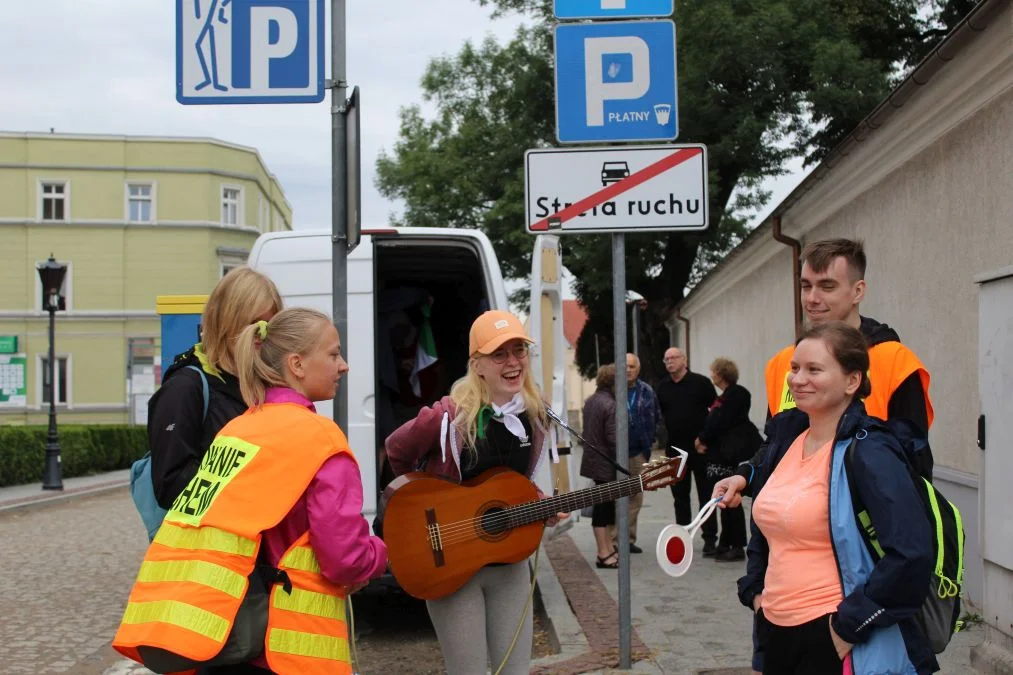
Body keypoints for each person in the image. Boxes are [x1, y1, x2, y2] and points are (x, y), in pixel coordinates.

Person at [114, 308, 388, 675]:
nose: (344, 366)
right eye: (334, 354)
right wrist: (379, 552)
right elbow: (343, 558)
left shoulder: (237, 431)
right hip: (290, 648)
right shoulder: (321, 439)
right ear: (297, 364)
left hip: (221, 635)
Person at [738, 321, 935, 675]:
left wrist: (848, 627)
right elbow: (766, 528)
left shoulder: (870, 450)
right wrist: (756, 593)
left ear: (852, 381)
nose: (797, 379)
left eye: (814, 369)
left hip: (833, 634)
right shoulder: (786, 442)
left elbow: (912, 551)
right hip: (776, 630)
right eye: (795, 368)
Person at [384, 310, 564, 675]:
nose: (513, 363)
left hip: (509, 563)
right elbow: (396, 449)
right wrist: (422, 503)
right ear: (477, 364)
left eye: (519, 351)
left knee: (513, 671)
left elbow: (512, 484)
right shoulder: (447, 416)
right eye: (499, 354)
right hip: (451, 563)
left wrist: (540, 504)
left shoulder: (534, 414)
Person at [713, 238, 934, 509]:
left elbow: (913, 463)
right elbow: (777, 445)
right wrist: (746, 475)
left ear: (858, 291)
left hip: (861, 532)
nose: (812, 298)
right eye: (806, 286)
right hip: (789, 527)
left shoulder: (895, 361)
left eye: (827, 286)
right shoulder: (783, 364)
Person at [149, 266, 283, 508]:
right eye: (254, 324)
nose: (261, 335)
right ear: (227, 323)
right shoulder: (185, 388)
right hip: (207, 542)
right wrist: (249, 483)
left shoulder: (264, 384)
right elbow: (170, 487)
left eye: (269, 327)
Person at [656, 347, 718, 555]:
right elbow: (660, 416)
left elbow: (716, 410)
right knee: (679, 497)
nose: (670, 362)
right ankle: (682, 537)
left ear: (684, 360)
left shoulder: (701, 383)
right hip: (675, 448)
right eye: (666, 359)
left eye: (674, 358)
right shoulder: (662, 387)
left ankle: (710, 539)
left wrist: (706, 437)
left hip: (700, 448)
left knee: (705, 494)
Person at [694, 358, 756, 563]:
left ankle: (736, 544)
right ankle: (725, 542)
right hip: (721, 453)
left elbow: (720, 422)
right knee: (723, 499)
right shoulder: (726, 396)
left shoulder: (736, 394)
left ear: (721, 374)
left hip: (729, 454)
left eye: (713, 371)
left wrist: (703, 438)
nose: (711, 375)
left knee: (730, 499)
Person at [607, 353, 660, 554]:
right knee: (616, 495)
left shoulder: (646, 391)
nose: (628, 370)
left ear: (638, 369)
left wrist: (649, 444)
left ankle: (627, 539)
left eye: (632, 366)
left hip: (639, 452)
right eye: (625, 366)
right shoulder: (612, 390)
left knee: (635, 497)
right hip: (615, 454)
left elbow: (655, 417)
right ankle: (614, 540)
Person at [580, 363, 619, 569]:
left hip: (593, 459)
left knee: (603, 508)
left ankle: (607, 548)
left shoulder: (592, 400)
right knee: (603, 509)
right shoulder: (610, 404)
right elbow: (614, 438)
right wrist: (622, 463)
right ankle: (604, 552)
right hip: (606, 462)